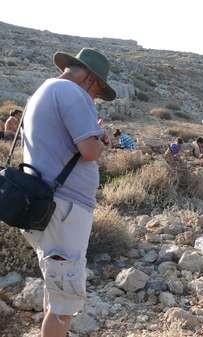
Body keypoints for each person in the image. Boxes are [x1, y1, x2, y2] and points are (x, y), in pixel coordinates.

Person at [21, 48, 116, 337]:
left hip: (47, 205)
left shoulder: (42, 91)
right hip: (65, 211)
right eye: (97, 93)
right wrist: (101, 140)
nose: (94, 99)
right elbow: (89, 151)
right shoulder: (73, 93)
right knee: (64, 306)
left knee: (58, 296)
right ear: (90, 80)